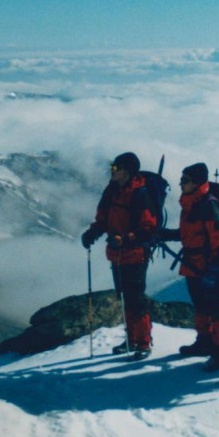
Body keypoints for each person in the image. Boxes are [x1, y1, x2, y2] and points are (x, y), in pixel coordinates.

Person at [81, 152, 158, 360]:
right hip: (116, 254)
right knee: (124, 298)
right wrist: (93, 233)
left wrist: (125, 239)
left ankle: (143, 342)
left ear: (127, 171)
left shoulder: (141, 194)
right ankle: (132, 339)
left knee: (135, 300)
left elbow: (149, 229)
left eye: (116, 168)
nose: (112, 171)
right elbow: (103, 218)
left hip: (135, 254)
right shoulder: (112, 190)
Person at [158, 163, 219, 372]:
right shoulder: (191, 203)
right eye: (181, 179)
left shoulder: (209, 205)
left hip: (206, 266)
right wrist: (166, 234)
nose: (181, 184)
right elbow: (189, 234)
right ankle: (204, 342)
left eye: (185, 180)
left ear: (197, 182)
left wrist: (215, 269)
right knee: (200, 305)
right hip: (193, 264)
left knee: (216, 308)